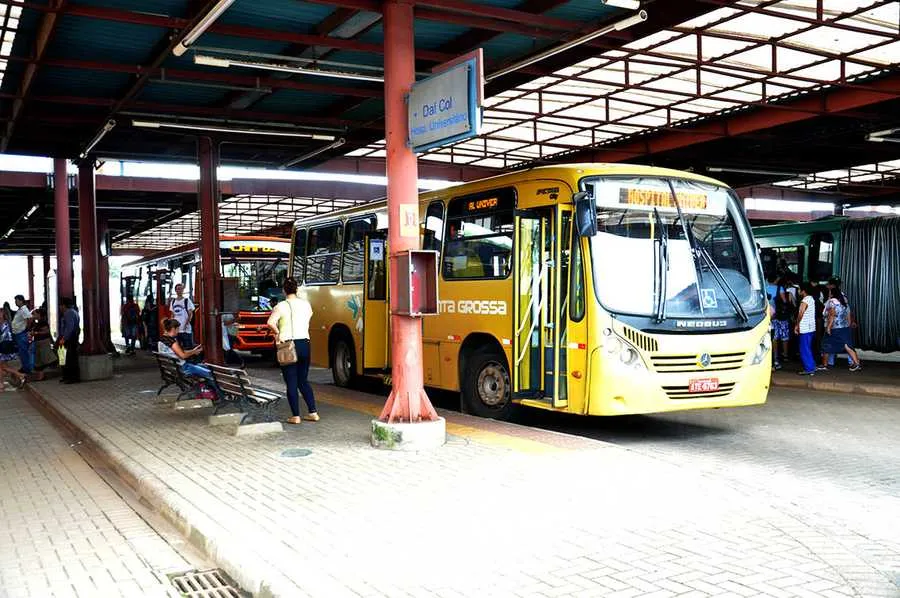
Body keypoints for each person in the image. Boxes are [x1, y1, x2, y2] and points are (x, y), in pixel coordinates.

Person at [267, 277, 318, 425]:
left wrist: (277, 333)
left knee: (291, 381)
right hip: (304, 344)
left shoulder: (281, 306)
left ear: (283, 290)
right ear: (297, 289)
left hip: (288, 345)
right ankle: (313, 412)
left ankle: (296, 416)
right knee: (303, 380)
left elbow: (270, 322)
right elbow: (309, 317)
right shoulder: (306, 305)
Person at [158, 318, 218, 391]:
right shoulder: (172, 341)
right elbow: (183, 355)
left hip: (174, 368)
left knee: (207, 367)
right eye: (177, 329)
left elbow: (178, 352)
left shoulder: (162, 340)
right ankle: (219, 394)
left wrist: (193, 351)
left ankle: (209, 391)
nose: (178, 331)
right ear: (173, 329)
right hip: (183, 368)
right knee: (210, 373)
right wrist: (193, 352)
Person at [819, 286, 862, 372]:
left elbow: (832, 315)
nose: (829, 293)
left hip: (835, 328)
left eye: (830, 292)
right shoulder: (844, 302)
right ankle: (857, 364)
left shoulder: (832, 302)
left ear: (832, 294)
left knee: (825, 345)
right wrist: (848, 326)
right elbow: (848, 315)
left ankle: (824, 365)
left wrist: (828, 327)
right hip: (844, 328)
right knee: (847, 346)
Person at [794, 282, 817, 376]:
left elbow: (801, 313)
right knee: (807, 347)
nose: (798, 291)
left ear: (803, 291)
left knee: (804, 349)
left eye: (799, 289)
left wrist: (796, 324)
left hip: (805, 328)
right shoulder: (811, 299)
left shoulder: (805, 300)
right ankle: (811, 366)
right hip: (811, 327)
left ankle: (809, 368)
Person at [771, 276, 793, 369]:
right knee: (784, 336)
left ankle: (775, 357)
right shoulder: (780, 288)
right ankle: (785, 355)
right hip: (781, 316)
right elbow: (784, 301)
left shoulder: (763, 287)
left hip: (771, 316)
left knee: (774, 336)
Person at [0, 309, 26, 389]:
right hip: (3, 347)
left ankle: (21, 375)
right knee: (2, 366)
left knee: (3, 367)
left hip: (4, 348)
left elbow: (4, 337)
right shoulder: (3, 324)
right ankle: (1, 384)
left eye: (0, 314)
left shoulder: (6, 325)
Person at [57, 297, 81, 384]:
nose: (60, 307)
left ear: (64, 305)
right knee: (64, 357)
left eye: (60, 305)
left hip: (69, 339)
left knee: (69, 358)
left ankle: (72, 377)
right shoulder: (73, 312)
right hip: (70, 338)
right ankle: (66, 376)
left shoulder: (69, 313)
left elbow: (69, 328)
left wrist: (63, 338)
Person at [11, 294, 34, 376]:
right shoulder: (20, 309)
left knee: (23, 352)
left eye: (16, 300)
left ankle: (27, 369)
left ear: (21, 301)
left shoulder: (24, 309)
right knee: (21, 352)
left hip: (21, 334)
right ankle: (24, 367)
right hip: (18, 334)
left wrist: (26, 328)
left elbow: (30, 318)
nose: (15, 302)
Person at [168, 284, 195, 349]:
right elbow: (172, 315)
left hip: (186, 330)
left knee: (188, 348)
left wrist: (186, 324)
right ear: (175, 290)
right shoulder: (173, 301)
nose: (179, 290)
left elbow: (190, 314)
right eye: (178, 289)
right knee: (178, 348)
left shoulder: (187, 301)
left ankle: (189, 359)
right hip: (176, 330)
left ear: (183, 290)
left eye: (181, 289)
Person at [30, 307, 54, 379]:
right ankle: (40, 376)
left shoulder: (43, 322)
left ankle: (42, 375)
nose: (32, 316)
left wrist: (36, 333)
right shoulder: (35, 323)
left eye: (34, 314)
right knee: (39, 361)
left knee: (45, 359)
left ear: (38, 314)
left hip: (44, 342)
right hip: (38, 342)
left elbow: (46, 331)